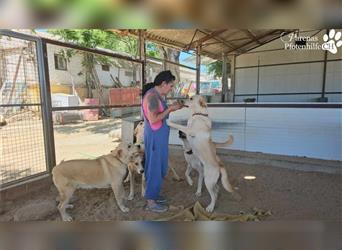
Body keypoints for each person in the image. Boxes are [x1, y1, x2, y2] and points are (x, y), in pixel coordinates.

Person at [142, 70, 183, 213]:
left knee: (158, 166)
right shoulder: (152, 97)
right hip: (154, 136)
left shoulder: (157, 95)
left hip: (157, 136)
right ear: (163, 83)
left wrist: (171, 108)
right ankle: (151, 202)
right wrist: (170, 108)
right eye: (170, 86)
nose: (171, 89)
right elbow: (154, 119)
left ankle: (153, 195)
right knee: (154, 167)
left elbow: (159, 114)